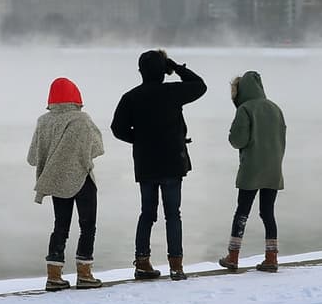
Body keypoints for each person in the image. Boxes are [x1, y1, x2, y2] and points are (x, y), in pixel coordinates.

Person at [110, 49, 207, 281]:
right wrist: (175, 66)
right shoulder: (172, 92)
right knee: (173, 215)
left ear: (140, 72)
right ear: (164, 72)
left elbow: (117, 129)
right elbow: (199, 85)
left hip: (146, 165)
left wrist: (140, 139)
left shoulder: (131, 97)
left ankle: (142, 262)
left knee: (147, 214)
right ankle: (176, 266)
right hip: (172, 162)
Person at [27, 76, 106, 291]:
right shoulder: (82, 119)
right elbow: (97, 147)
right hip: (83, 179)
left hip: (56, 180)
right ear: (76, 96)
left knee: (60, 227)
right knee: (87, 226)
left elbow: (33, 157)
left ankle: (54, 276)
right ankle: (85, 274)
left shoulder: (43, 121)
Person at [217, 70, 286, 273]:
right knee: (267, 213)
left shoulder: (245, 109)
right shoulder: (275, 108)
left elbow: (237, 140)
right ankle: (271, 258)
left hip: (252, 168)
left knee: (242, 212)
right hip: (274, 168)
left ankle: (233, 256)